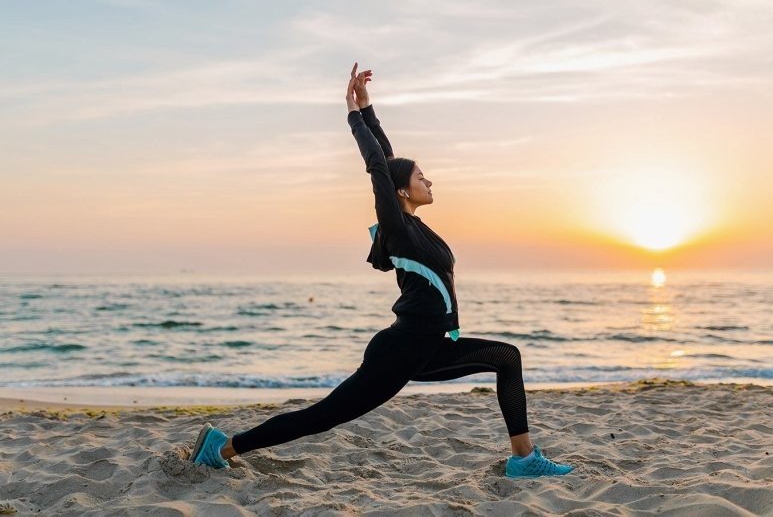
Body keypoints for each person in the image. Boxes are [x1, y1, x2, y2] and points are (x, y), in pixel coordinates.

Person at [189, 63, 573, 479]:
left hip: (427, 346)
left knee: (506, 358)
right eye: (421, 176)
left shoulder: (414, 226)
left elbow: (388, 160)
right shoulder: (397, 226)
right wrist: (353, 115)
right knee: (323, 417)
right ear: (404, 191)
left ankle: (523, 458)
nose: (430, 180)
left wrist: (370, 108)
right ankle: (223, 446)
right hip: (402, 350)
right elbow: (378, 165)